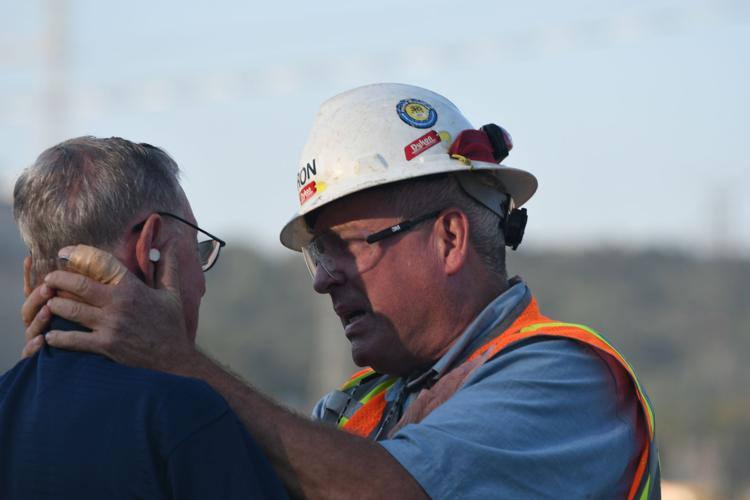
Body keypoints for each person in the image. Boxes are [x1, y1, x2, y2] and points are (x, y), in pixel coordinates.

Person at [22, 85, 661, 499]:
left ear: (449, 238)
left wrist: (173, 361)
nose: (325, 278)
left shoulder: (565, 379)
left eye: (348, 245)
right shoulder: (357, 409)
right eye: (316, 254)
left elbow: (395, 495)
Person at [2, 137, 287, 499]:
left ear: (32, 274)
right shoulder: (184, 415)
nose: (201, 285)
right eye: (197, 251)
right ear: (150, 249)